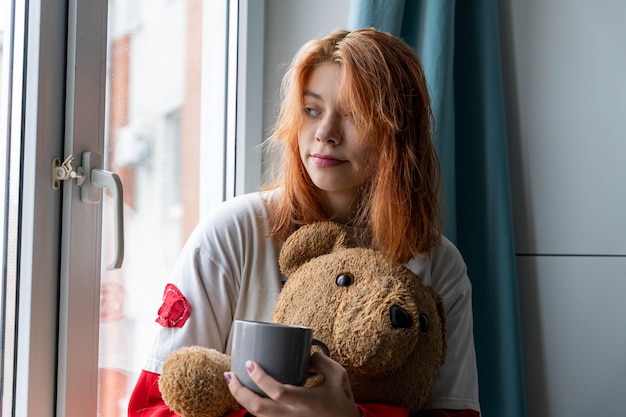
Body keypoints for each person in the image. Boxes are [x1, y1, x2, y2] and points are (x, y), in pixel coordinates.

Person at [128, 28, 481, 417]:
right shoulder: (233, 233)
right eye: (312, 110)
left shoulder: (438, 263)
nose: (326, 134)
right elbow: (153, 405)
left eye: (355, 115)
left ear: (398, 131)